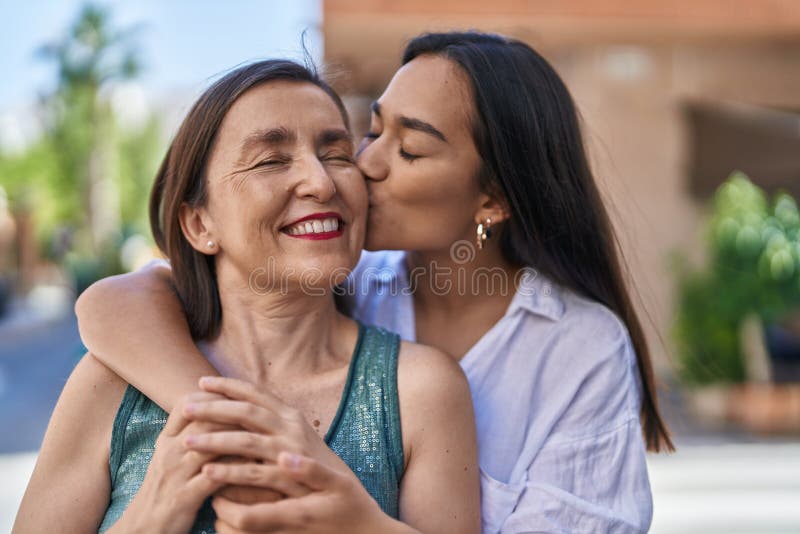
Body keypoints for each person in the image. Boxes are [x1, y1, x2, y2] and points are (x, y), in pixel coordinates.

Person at [75, 31, 673, 533]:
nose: (362, 165)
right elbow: (113, 302)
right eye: (372, 131)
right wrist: (223, 425)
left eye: (409, 149)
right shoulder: (342, 275)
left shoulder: (576, 350)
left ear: (491, 199)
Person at [13, 59, 479, 534]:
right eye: (271, 160)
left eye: (336, 153)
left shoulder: (420, 391)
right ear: (199, 224)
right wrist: (147, 520)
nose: (321, 182)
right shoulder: (110, 386)